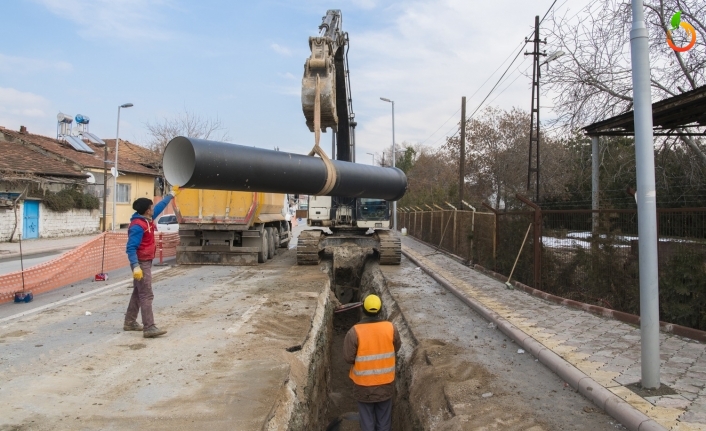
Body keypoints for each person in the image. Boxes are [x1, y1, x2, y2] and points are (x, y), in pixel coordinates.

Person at [123, 186, 179, 338]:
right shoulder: (138, 226)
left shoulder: (146, 219)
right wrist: (135, 266)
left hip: (145, 261)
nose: (154, 208)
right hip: (141, 263)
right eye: (151, 207)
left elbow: (160, 207)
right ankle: (149, 327)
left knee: (138, 292)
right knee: (146, 294)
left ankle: (130, 321)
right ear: (147, 210)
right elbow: (131, 248)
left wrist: (170, 195)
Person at [343, 294, 401, 431]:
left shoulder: (354, 332)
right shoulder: (391, 328)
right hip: (386, 384)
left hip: (364, 386)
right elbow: (396, 348)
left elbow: (348, 358)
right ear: (381, 310)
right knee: (384, 420)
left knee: (367, 420)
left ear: (363, 310)